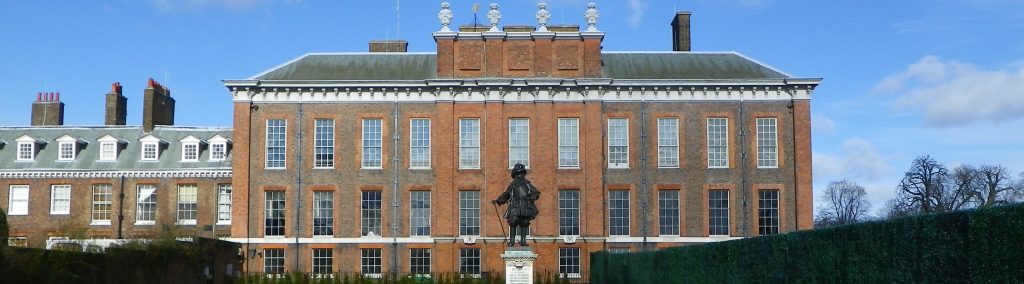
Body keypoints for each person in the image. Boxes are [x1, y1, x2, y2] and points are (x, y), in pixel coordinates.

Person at [492, 163, 540, 246]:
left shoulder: (527, 184)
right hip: (515, 206)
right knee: (513, 222)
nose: (520, 175)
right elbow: (506, 194)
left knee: (524, 223)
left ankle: (523, 241)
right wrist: (498, 200)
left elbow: (536, 192)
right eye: (518, 173)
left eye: (521, 173)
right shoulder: (512, 185)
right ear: (515, 174)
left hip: (525, 206)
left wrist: (532, 197)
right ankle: (512, 241)